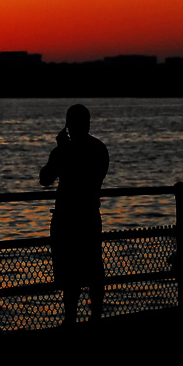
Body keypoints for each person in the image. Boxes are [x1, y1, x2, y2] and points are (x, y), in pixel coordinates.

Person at [39, 104, 109, 326]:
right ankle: (95, 316)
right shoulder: (99, 148)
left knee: (69, 274)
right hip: (89, 216)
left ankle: (70, 319)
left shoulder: (64, 151)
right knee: (93, 270)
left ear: (69, 125)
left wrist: (62, 149)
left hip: (67, 219)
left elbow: (45, 178)